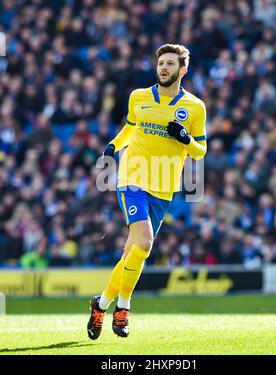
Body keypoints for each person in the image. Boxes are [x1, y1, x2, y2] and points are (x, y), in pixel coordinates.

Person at [87, 44, 207, 339]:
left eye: (169, 63)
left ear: (183, 69)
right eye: (160, 63)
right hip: (132, 178)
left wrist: (186, 139)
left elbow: (200, 151)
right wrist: (114, 145)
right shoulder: (139, 96)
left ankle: (101, 304)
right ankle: (123, 307)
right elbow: (130, 128)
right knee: (145, 241)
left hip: (164, 188)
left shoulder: (195, 107)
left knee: (133, 252)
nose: (163, 68)